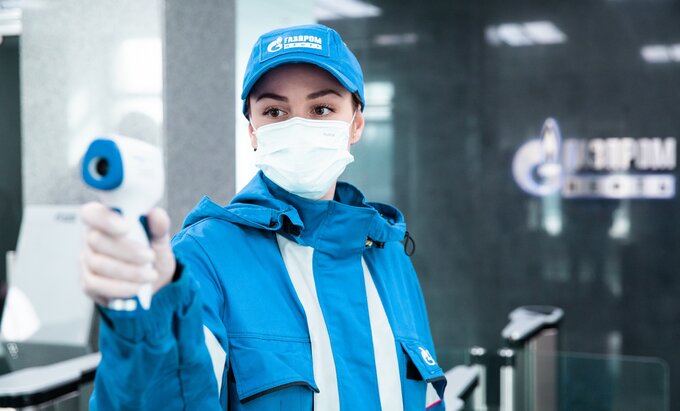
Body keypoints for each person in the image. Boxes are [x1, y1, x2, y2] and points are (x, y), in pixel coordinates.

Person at [80, 24, 446, 410]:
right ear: (253, 132)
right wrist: (146, 328)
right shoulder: (204, 257)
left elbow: (426, 399)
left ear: (356, 124)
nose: (298, 127)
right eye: (275, 111)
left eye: (321, 109)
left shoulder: (387, 255)